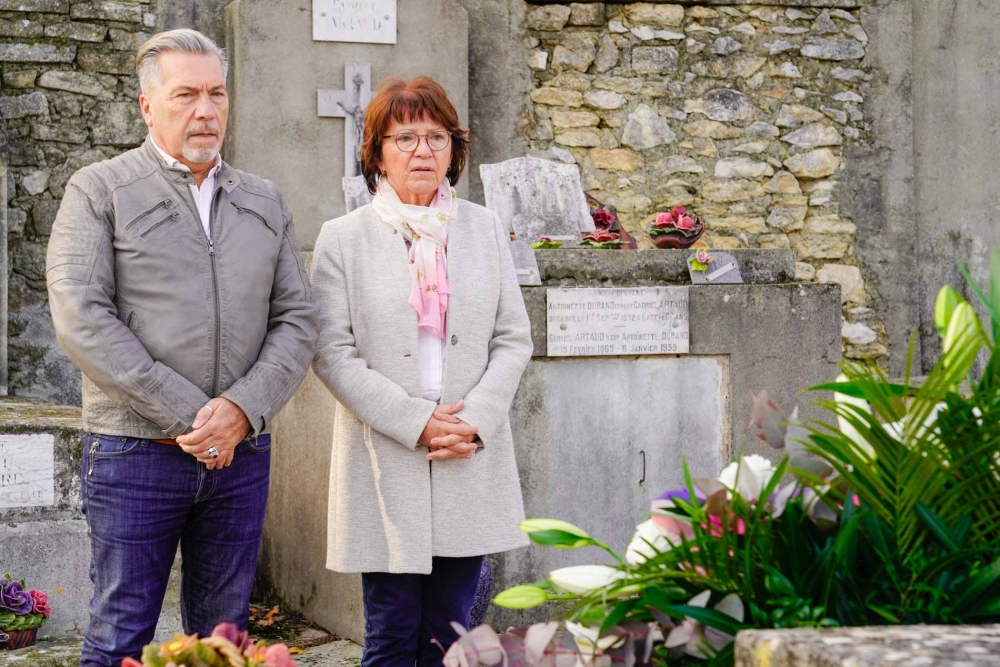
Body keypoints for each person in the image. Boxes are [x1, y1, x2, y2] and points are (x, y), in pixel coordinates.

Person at [45, 29, 317, 667]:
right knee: (120, 635)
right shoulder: (99, 189)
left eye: (217, 94)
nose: (206, 110)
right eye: (186, 94)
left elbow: (298, 318)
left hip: (239, 454)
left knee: (223, 642)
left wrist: (242, 410)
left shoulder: (263, 199)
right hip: (134, 450)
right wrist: (193, 416)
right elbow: (81, 316)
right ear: (147, 106)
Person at [311, 76, 533, 667]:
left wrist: (475, 420)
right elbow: (331, 352)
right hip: (387, 452)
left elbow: (513, 338)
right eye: (404, 137)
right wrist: (417, 422)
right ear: (376, 152)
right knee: (389, 631)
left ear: (454, 150)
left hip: (466, 451)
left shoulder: (484, 230)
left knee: (452, 632)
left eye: (436, 137)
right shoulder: (343, 239)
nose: (422, 151)